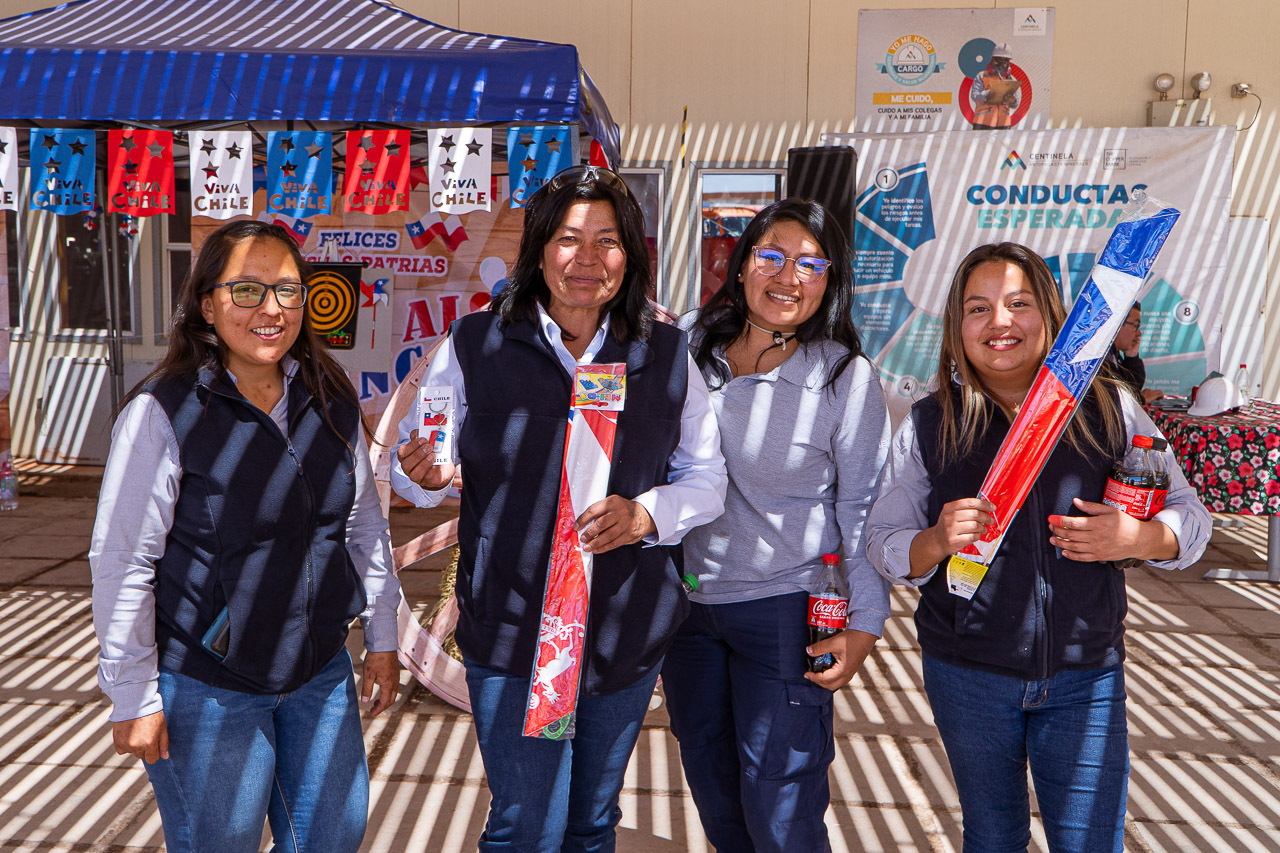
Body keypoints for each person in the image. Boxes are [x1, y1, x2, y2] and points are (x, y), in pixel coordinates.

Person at [391, 164, 727, 852]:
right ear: (540, 249)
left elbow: (706, 477)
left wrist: (647, 514)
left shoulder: (664, 353)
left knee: (590, 822)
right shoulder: (477, 343)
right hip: (514, 631)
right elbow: (424, 465)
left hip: (622, 631)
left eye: (608, 241)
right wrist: (422, 474)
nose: (587, 258)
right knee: (527, 825)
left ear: (630, 256)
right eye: (569, 238)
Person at [866, 242, 1211, 852]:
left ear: (1050, 316)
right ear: (957, 326)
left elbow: (1191, 518)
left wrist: (1138, 537)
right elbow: (883, 543)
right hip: (967, 674)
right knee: (992, 836)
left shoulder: (1109, 408)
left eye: (1018, 303)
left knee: (1088, 840)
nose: (999, 322)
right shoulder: (927, 423)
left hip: (1085, 674)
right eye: (978, 308)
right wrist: (935, 539)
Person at [89, 220, 401, 853]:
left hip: (318, 674)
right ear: (207, 304)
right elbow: (123, 560)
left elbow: (362, 523)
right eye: (247, 290)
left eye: (287, 290)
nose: (271, 309)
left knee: (332, 838)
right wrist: (133, 694)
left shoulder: (329, 395)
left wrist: (384, 636)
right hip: (209, 687)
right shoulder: (163, 412)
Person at [661, 198, 892, 852]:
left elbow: (862, 508)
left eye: (810, 265)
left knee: (780, 807)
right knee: (715, 792)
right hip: (688, 610)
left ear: (829, 282)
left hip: (786, 611)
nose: (789, 277)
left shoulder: (843, 377)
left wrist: (865, 624)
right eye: (772, 256)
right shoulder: (688, 345)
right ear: (741, 266)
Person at [1110, 303, 1163, 402]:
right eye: (1136, 325)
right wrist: (1141, 399)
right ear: (1118, 324)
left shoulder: (1114, 355)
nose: (1139, 333)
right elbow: (1113, 399)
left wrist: (1131, 356)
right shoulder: (1101, 360)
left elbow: (1132, 387)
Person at [971, 42, 1020, 129]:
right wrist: (989, 93)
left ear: (1008, 63)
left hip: (1004, 124)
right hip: (983, 124)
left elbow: (1015, 104)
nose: (1000, 64)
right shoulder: (982, 76)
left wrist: (1012, 100)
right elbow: (974, 96)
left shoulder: (1011, 80)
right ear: (992, 61)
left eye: (1004, 62)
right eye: (998, 61)